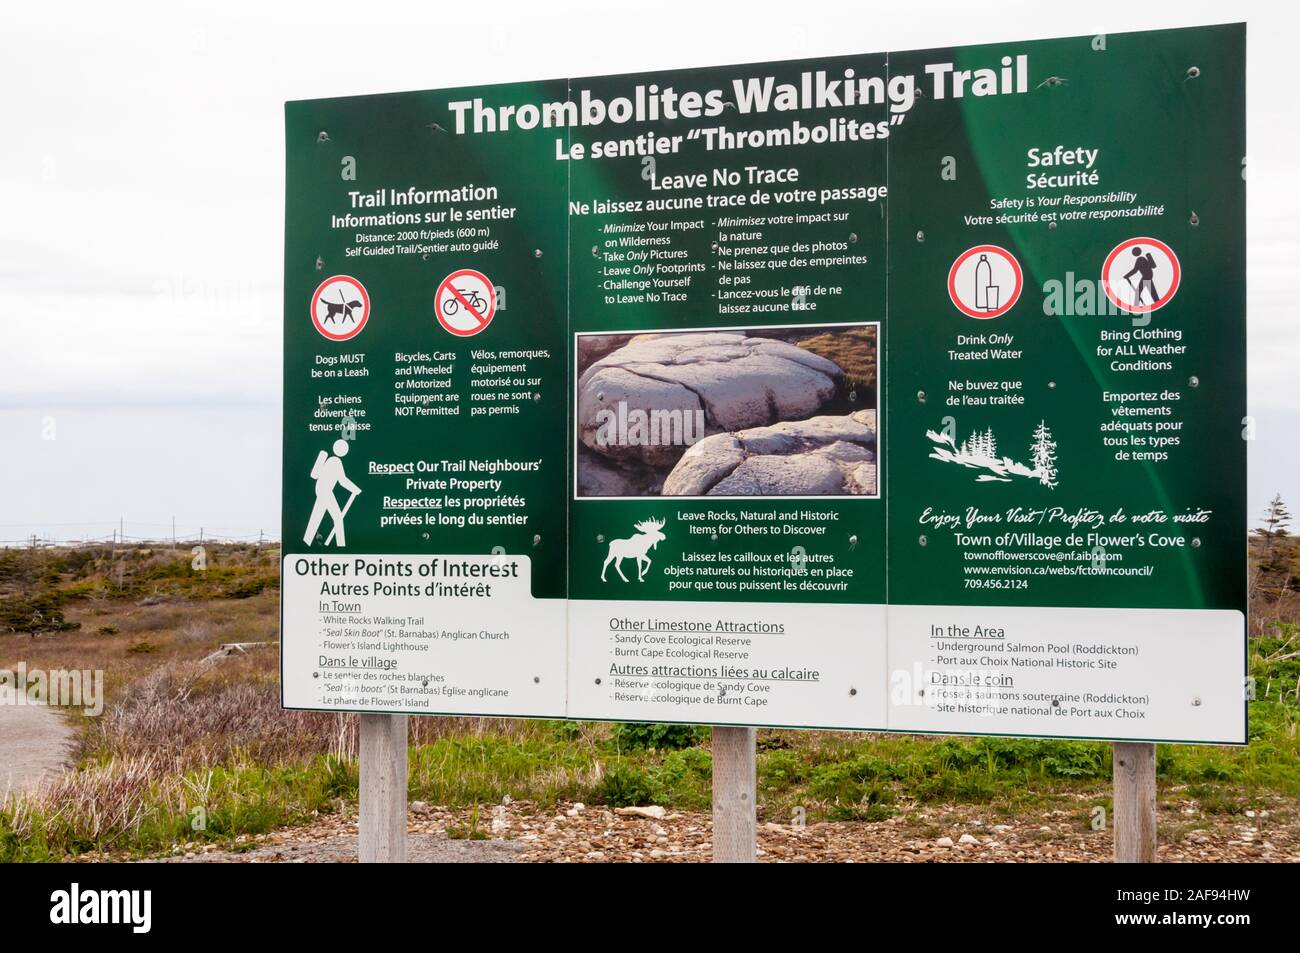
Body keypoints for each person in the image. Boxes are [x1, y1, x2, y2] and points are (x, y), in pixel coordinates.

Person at [303, 439, 361, 546]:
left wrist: (354, 489)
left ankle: (306, 542)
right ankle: (341, 546)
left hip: (321, 489)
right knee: (338, 518)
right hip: (325, 491)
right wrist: (355, 489)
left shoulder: (330, 460)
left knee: (316, 517)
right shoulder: (336, 461)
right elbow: (342, 481)